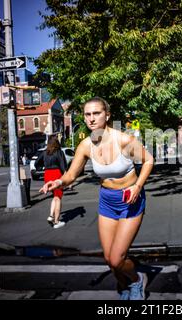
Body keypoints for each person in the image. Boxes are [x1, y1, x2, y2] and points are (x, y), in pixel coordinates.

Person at [39, 97, 154, 300]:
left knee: (117, 258)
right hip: (107, 200)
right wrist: (58, 182)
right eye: (87, 114)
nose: (91, 118)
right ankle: (124, 285)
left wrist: (138, 186)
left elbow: (148, 160)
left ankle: (137, 280)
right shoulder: (85, 145)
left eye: (96, 113)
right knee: (109, 259)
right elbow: (71, 175)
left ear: (107, 115)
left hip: (130, 199)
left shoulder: (123, 140)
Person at [36, 135, 67, 229]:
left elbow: (37, 163)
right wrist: (66, 180)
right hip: (56, 174)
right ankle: (56, 222)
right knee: (58, 197)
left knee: (55, 196)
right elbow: (63, 166)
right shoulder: (59, 152)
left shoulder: (45, 152)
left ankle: (51, 216)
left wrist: (42, 167)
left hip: (47, 174)